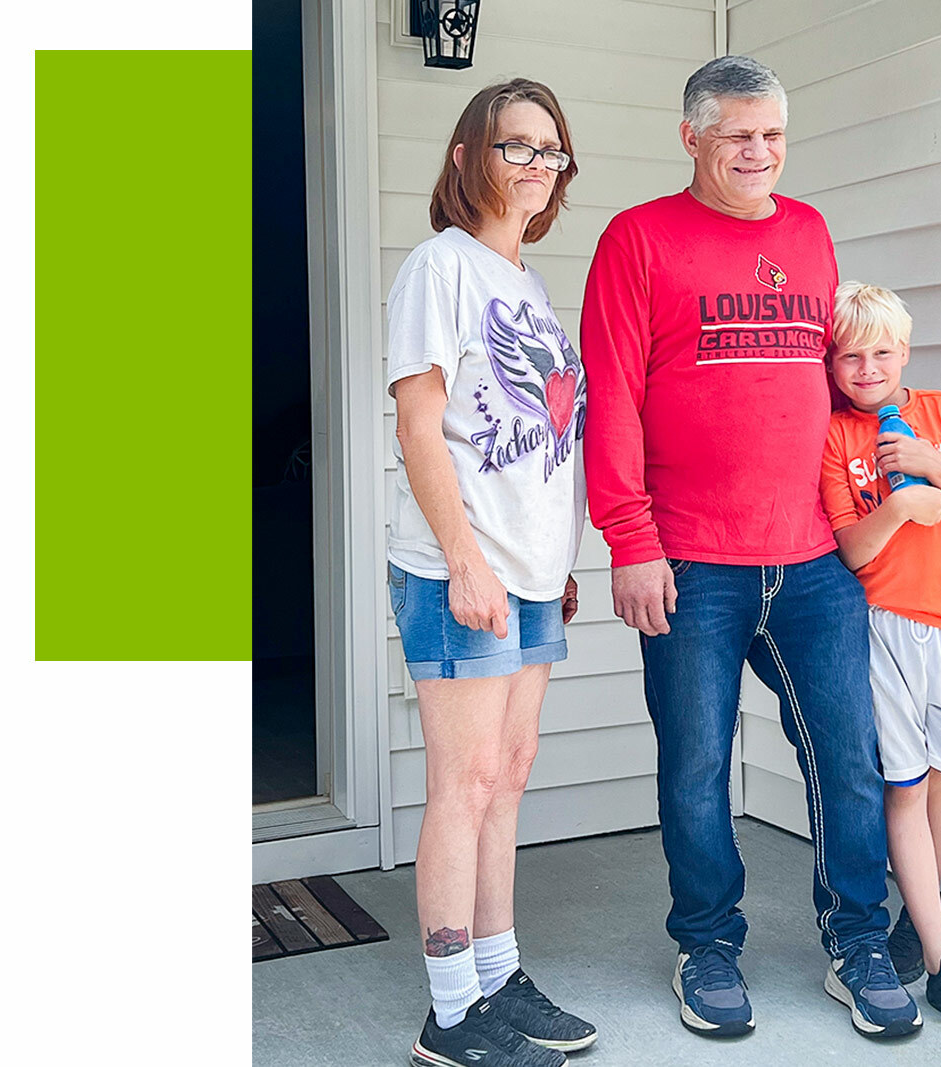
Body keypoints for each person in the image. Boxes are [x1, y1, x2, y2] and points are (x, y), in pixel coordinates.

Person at [581, 56, 923, 1041]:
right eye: (738, 134)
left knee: (847, 756)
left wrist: (906, 445)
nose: (758, 152)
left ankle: (857, 938)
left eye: (772, 134)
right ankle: (707, 944)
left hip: (813, 559)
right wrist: (630, 541)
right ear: (691, 136)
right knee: (695, 764)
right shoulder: (637, 238)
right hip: (690, 560)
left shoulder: (808, 231)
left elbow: (840, 376)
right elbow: (613, 398)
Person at [385, 78, 596, 1067]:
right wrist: (467, 560)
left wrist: (554, 560)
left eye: (551, 151)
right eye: (517, 146)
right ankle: (450, 1011)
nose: (537, 165)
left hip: (530, 573)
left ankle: (499, 975)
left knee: (506, 776)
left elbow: (536, 440)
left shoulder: (526, 284)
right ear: (469, 156)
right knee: (464, 782)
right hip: (459, 570)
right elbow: (419, 427)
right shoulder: (441, 267)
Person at [820, 282, 941, 1042]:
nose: (867, 368)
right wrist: (899, 505)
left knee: (936, 781)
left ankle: (915, 919)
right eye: (850, 356)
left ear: (904, 351)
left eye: (881, 352)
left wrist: (936, 467)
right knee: (902, 788)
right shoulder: (836, 435)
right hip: (882, 631)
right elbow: (852, 550)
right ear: (832, 363)